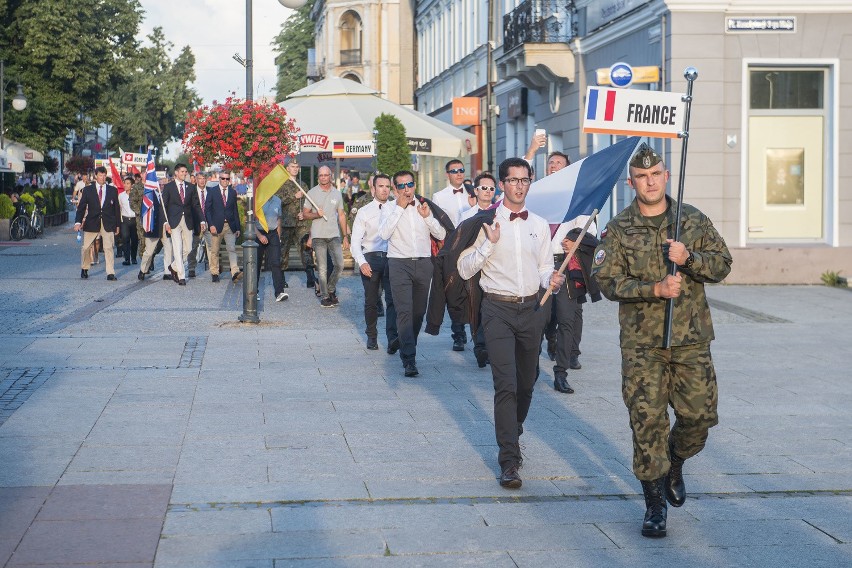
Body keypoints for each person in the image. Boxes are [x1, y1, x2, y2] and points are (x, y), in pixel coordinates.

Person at [592, 143, 733, 538]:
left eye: (656, 175)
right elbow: (605, 280)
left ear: (666, 176)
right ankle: (654, 502)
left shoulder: (690, 219)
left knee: (700, 415)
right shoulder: (619, 228)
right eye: (641, 177)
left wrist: (689, 259)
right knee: (646, 422)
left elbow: (722, 264)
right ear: (631, 181)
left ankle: (675, 458)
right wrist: (653, 288)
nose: (650, 182)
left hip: (690, 339)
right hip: (643, 345)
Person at [458, 158, 564, 489]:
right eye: (513, 180)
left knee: (527, 382)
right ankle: (509, 459)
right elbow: (464, 270)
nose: (519, 185)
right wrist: (488, 243)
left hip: (533, 311)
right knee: (505, 384)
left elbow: (544, 266)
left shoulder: (540, 224)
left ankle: (513, 426)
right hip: (498, 310)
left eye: (524, 180)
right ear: (502, 184)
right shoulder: (484, 223)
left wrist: (552, 280)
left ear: (530, 183)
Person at [379, 170, 448, 377]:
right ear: (395, 189)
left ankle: (403, 340)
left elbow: (441, 234)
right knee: (404, 312)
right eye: (401, 186)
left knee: (418, 313)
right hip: (399, 263)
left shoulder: (424, 206)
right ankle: (409, 359)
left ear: (415, 185)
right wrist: (399, 209)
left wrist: (427, 218)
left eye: (409, 184)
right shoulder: (389, 207)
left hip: (424, 263)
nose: (406, 189)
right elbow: (383, 234)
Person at [351, 173, 398, 352]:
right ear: (374, 189)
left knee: (392, 300)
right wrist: (362, 262)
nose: (384, 189)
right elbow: (355, 241)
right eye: (381, 186)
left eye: (387, 186)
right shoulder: (364, 211)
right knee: (371, 301)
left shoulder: (397, 209)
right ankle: (372, 336)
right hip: (370, 258)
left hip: (393, 258)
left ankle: (392, 338)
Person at [430, 159, 474, 351]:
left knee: (473, 291)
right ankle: (458, 334)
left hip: (473, 246)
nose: (458, 173)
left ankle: (477, 333)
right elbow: (437, 224)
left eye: (461, 170)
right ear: (447, 174)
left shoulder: (473, 193)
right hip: (451, 248)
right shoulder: (439, 197)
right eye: (454, 171)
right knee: (454, 292)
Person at [459, 172, 498, 368]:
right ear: (476, 190)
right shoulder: (466, 215)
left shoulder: (500, 214)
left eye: (492, 188)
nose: (488, 191)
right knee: (476, 308)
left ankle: (489, 346)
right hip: (474, 268)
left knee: (492, 308)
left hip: (496, 267)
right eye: (484, 188)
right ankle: (480, 347)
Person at [300, 165, 350, 308]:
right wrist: (316, 214)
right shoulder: (312, 193)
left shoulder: (337, 194)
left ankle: (331, 288)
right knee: (322, 268)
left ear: (330, 176)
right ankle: (325, 296)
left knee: (340, 265)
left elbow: (341, 215)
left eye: (326, 175)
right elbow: (305, 214)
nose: (323, 177)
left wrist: (345, 236)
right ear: (318, 177)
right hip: (318, 236)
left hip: (334, 234)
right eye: (321, 175)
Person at [73, 166, 121, 280]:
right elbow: (81, 207)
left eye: (104, 175)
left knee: (109, 248)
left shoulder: (112, 190)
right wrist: (78, 222)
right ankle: (84, 268)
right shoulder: (88, 190)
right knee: (86, 247)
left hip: (108, 223)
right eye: (100, 175)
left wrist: (118, 225)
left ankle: (110, 272)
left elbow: (116, 209)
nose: (102, 178)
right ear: (95, 176)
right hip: (92, 222)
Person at [162, 163, 203, 285]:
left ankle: (173, 267)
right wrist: (165, 222)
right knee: (177, 248)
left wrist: (202, 220)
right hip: (174, 221)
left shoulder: (191, 187)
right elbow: (163, 206)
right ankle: (181, 276)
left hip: (188, 221)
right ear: (176, 173)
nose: (184, 174)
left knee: (189, 248)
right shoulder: (168, 187)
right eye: (182, 172)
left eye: (186, 172)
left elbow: (196, 205)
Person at [205, 171, 242, 283]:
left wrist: (238, 227)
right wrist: (211, 225)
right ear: (219, 179)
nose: (225, 181)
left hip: (230, 226)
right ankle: (215, 272)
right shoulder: (212, 191)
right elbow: (207, 210)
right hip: (216, 226)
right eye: (223, 178)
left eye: (227, 179)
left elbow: (235, 210)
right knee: (215, 250)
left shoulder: (232, 192)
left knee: (231, 248)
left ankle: (235, 272)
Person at [277, 158, 309, 280]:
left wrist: (304, 213)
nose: (295, 169)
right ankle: (282, 279)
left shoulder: (303, 184)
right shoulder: (282, 185)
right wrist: (293, 196)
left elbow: (307, 203)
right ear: (287, 169)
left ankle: (310, 277)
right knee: (283, 252)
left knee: (305, 248)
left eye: (297, 167)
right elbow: (278, 202)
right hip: (286, 223)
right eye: (292, 166)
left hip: (301, 223)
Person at [256, 192, 288, 302]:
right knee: (256, 263)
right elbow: (250, 221)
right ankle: (253, 292)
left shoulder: (277, 200)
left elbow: (279, 219)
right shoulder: (257, 200)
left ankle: (279, 292)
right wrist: (260, 236)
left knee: (276, 262)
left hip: (273, 233)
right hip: (259, 232)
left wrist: (278, 236)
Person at [187, 171, 211, 278]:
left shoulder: (211, 191)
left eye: (204, 178)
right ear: (196, 179)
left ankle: (213, 268)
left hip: (209, 223)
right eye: (200, 178)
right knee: (193, 246)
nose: (202, 181)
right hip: (195, 223)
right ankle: (192, 267)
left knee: (211, 246)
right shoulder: (191, 191)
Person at [118, 176, 138, 266]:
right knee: (125, 239)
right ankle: (127, 259)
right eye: (124, 183)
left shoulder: (136, 195)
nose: (125, 185)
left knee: (134, 240)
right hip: (125, 220)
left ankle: (133, 258)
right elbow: (119, 207)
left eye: (127, 183)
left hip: (135, 220)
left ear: (132, 185)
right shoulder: (121, 196)